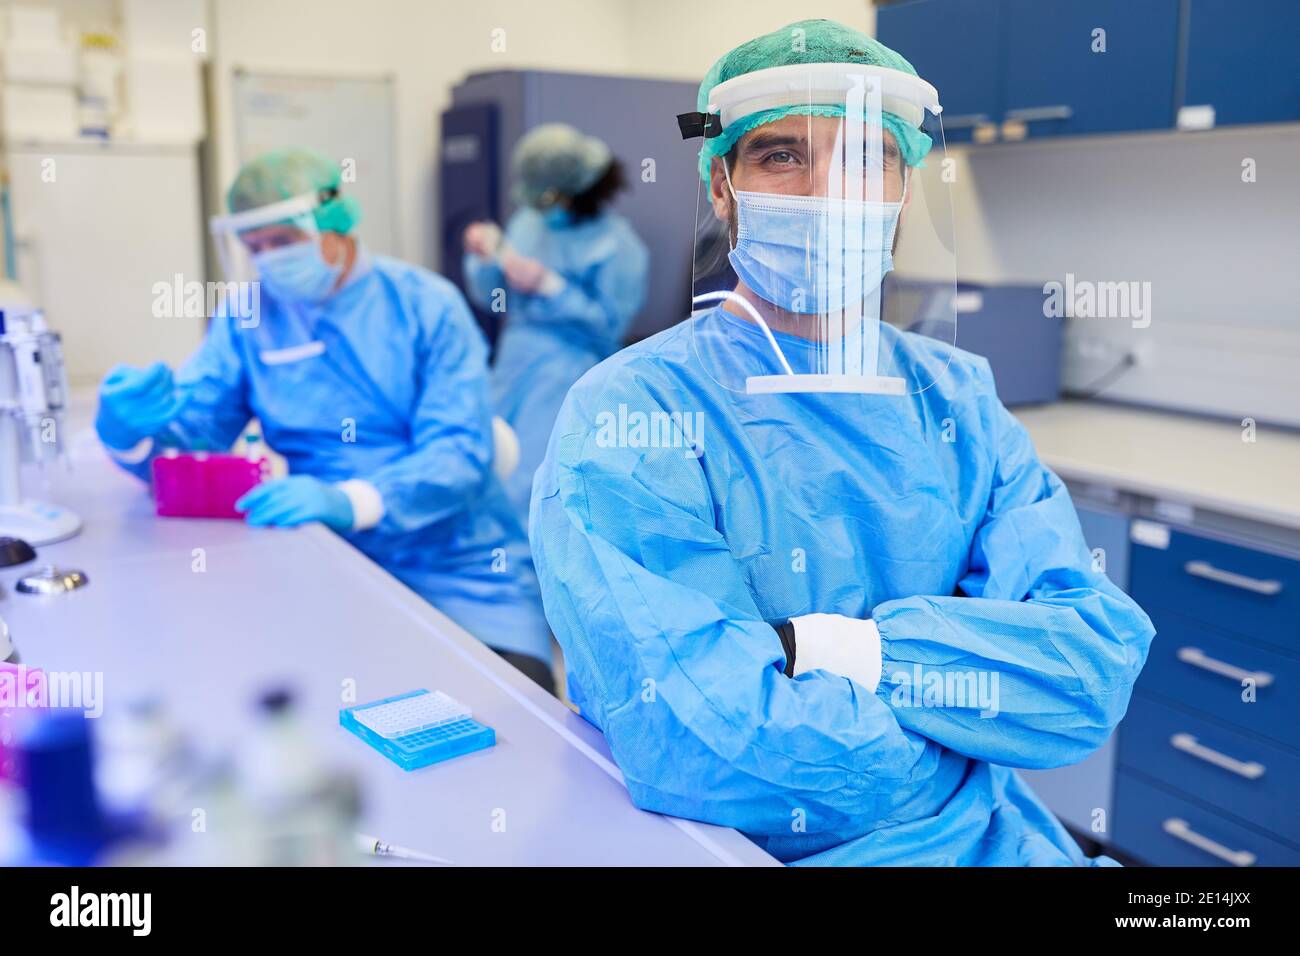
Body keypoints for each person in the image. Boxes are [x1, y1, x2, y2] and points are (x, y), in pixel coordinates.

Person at [529, 20, 1155, 865]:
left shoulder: (956, 396)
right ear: (722, 186)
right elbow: (712, 747)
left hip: (1004, 842)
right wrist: (968, 723)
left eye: (864, 158)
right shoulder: (633, 412)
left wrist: (843, 649)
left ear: (902, 186)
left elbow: (1087, 669)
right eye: (782, 156)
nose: (827, 191)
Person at [95, 148, 555, 691]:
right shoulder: (249, 316)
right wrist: (128, 436)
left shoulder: (426, 305)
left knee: (508, 721)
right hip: (325, 557)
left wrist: (352, 501)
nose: (269, 259)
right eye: (255, 247)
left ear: (336, 224)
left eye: (283, 241)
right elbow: (192, 445)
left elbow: (459, 454)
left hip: (464, 572)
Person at [462, 124, 649, 526]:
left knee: (532, 482)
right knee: (489, 459)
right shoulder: (530, 221)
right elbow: (492, 298)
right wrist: (485, 258)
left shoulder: (620, 246)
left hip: (567, 372)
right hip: (513, 364)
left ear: (580, 192)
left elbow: (608, 329)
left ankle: (523, 578)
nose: (544, 210)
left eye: (552, 199)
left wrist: (552, 287)